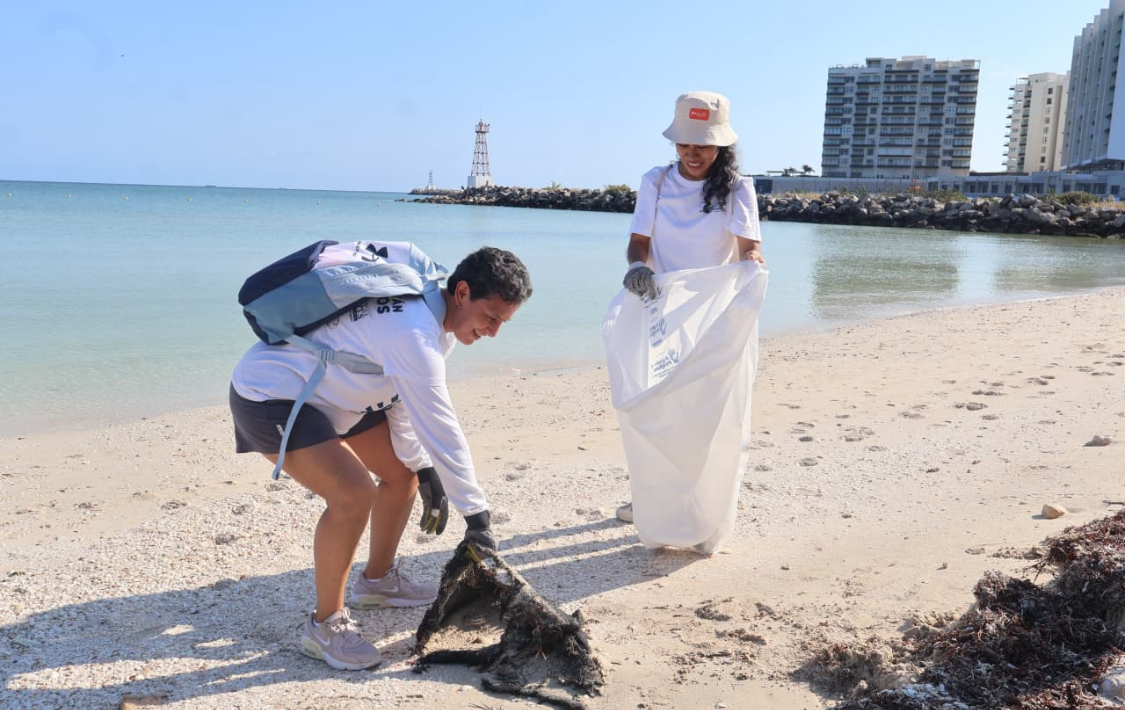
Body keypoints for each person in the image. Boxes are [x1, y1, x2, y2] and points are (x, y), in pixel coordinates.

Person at [229, 245, 532, 670]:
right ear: (462, 292)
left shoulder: (436, 324)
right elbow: (442, 424)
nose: (494, 331)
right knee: (353, 493)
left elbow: (404, 403)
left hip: (339, 397)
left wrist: (425, 468)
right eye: (492, 317)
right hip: (273, 395)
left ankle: (377, 583)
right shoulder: (412, 332)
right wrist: (477, 519)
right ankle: (324, 625)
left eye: (504, 322)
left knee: (403, 473)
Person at [616, 90, 765, 526]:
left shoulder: (739, 190)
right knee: (658, 407)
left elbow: (749, 249)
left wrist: (754, 267)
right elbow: (638, 241)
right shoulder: (656, 182)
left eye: (701, 144)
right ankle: (650, 497)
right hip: (659, 309)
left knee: (709, 410)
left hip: (714, 315)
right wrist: (636, 269)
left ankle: (710, 497)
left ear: (721, 145)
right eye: (684, 143)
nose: (692, 153)